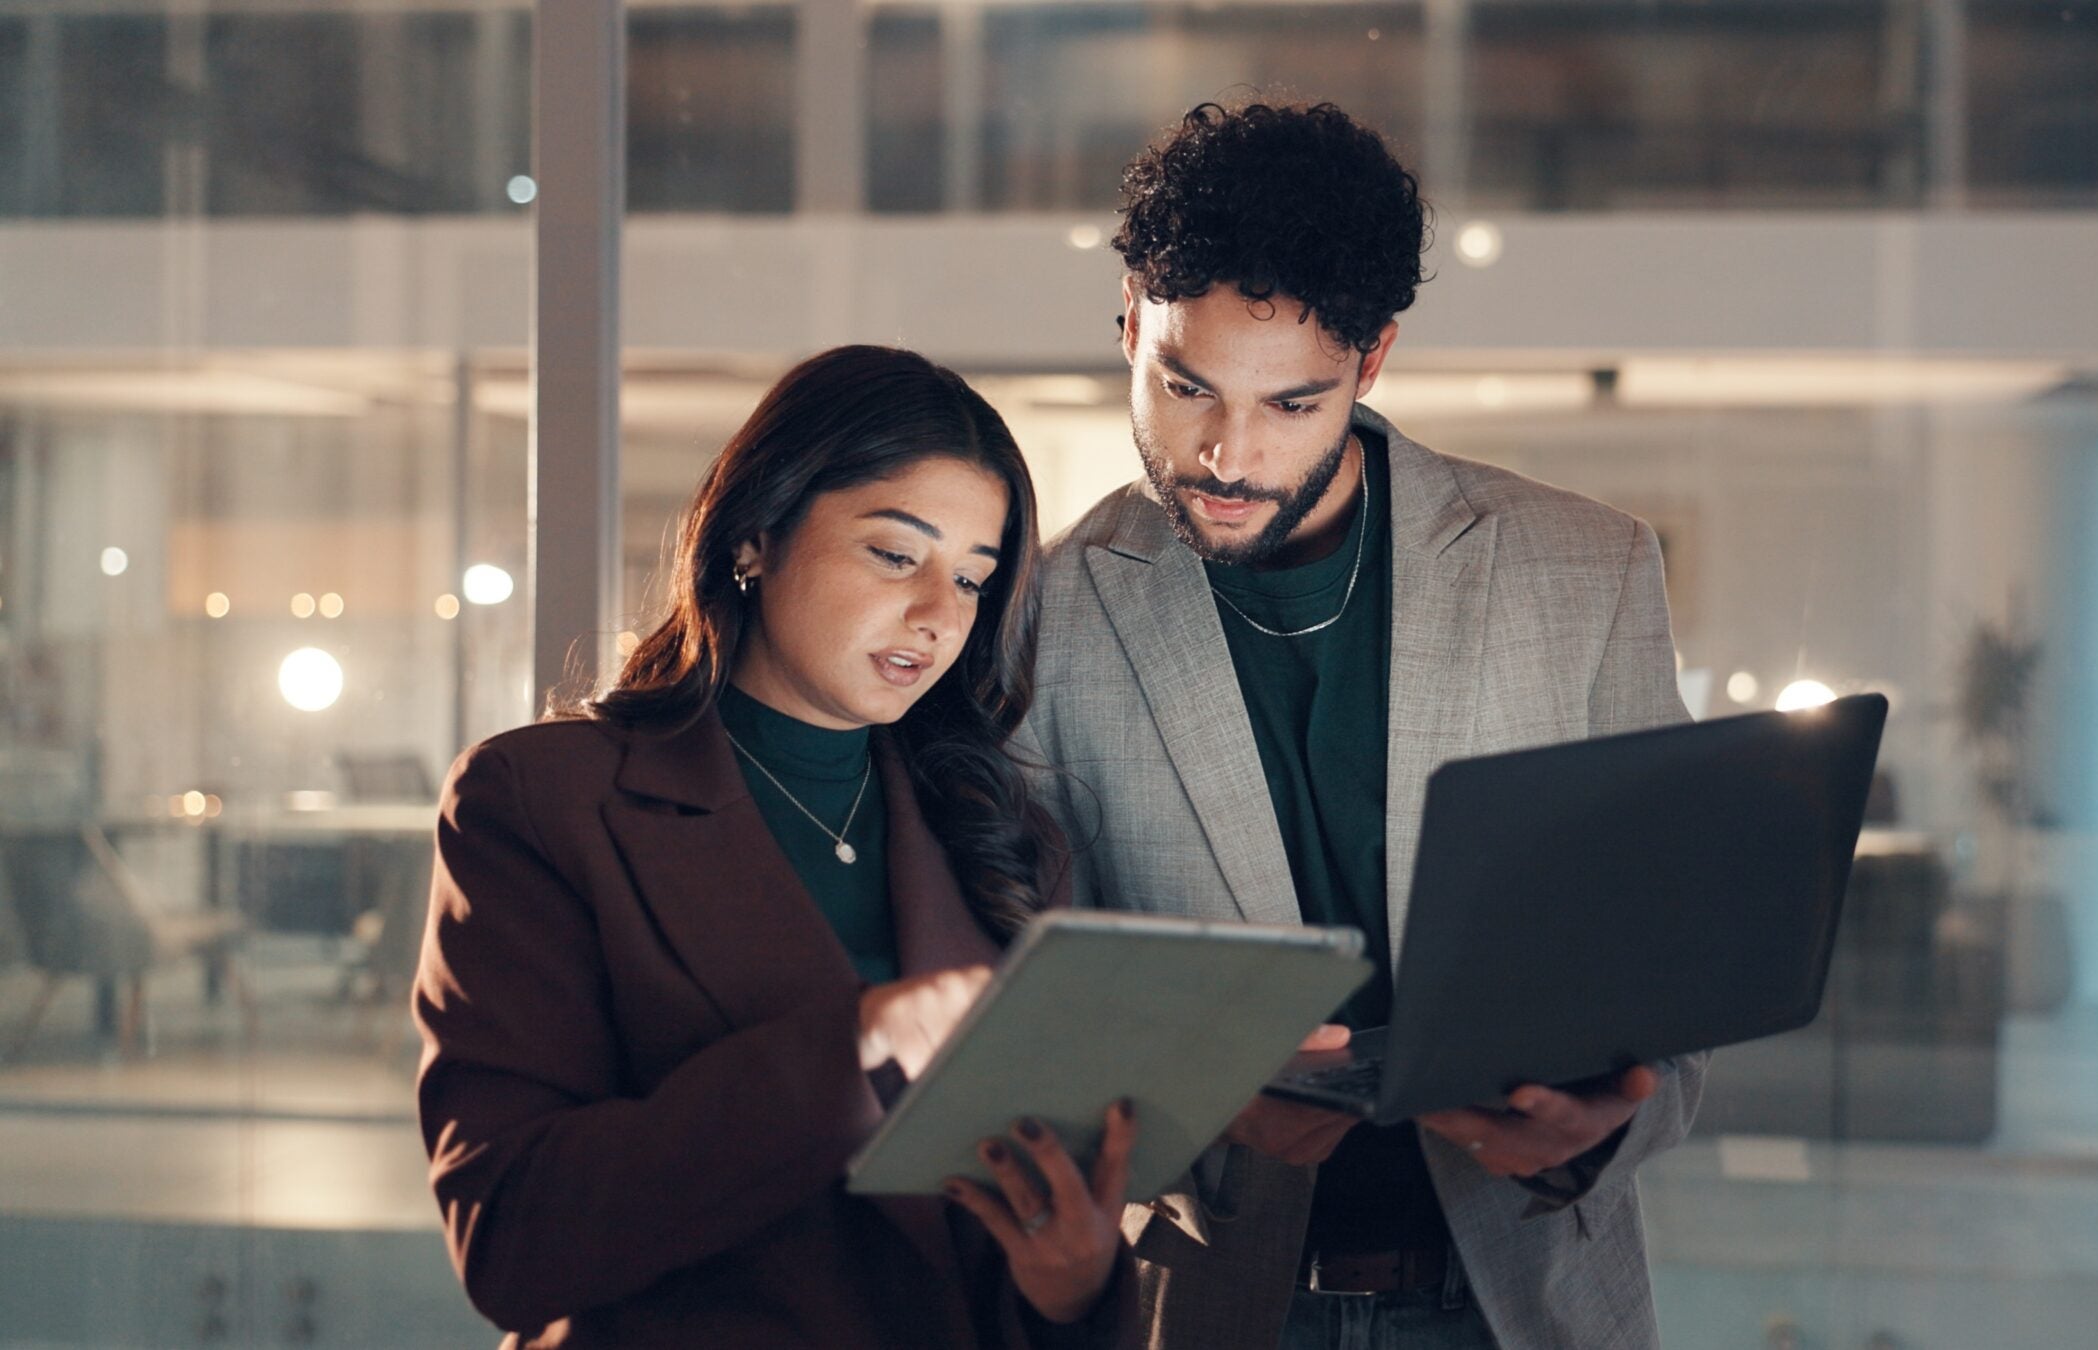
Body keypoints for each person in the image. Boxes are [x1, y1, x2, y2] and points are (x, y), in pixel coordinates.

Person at [1020, 102, 1711, 1350]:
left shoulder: (1584, 569)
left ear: (1373, 361)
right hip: (1219, 1304)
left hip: (1527, 1299)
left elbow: (1673, 993)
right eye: (1185, 386)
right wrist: (1212, 1109)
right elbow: (1019, 1016)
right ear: (1129, 321)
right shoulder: (1036, 619)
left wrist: (1599, 1123)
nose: (1227, 455)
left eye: (1292, 403)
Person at [414, 345, 1135, 1349]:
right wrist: (852, 1047)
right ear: (755, 535)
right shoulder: (545, 800)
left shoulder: (1001, 833)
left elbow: (1001, 1245)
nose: (937, 617)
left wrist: (1071, 1286)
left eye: (973, 581)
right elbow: (512, 1237)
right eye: (896, 556)